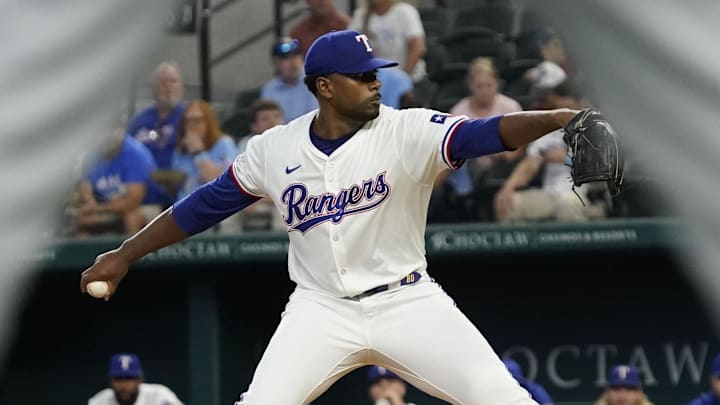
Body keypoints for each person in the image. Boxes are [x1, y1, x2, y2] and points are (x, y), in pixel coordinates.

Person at [80, 29, 589, 404]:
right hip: (320, 310)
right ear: (325, 86)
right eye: (362, 76)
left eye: (376, 75)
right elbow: (203, 206)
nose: (375, 84)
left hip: (406, 299)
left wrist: (560, 119)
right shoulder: (275, 147)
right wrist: (125, 255)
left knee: (505, 399)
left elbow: (486, 132)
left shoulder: (406, 129)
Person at [494, 81, 606, 223]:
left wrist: (567, 159)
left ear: (580, 104)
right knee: (510, 204)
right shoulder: (550, 133)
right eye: (561, 109)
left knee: (567, 205)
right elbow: (529, 165)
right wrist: (507, 189)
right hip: (551, 194)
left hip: (585, 195)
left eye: (569, 108)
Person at [71, 123, 160, 236]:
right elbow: (86, 190)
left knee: (131, 216)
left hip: (146, 205)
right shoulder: (91, 156)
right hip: (107, 207)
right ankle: (82, 253)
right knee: (82, 220)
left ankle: (131, 253)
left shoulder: (135, 153)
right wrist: (89, 204)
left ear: (121, 131)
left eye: (111, 130)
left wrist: (99, 208)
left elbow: (133, 200)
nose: (106, 136)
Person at [171, 100, 237, 201]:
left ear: (208, 122)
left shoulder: (224, 144)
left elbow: (220, 184)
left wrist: (198, 152)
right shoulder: (180, 151)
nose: (191, 125)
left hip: (215, 205)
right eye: (187, 121)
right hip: (185, 205)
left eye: (197, 120)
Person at [126, 61, 186, 170]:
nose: (168, 88)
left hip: (180, 182)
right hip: (143, 182)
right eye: (163, 83)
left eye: (173, 81)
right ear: (154, 88)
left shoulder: (190, 117)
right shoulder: (139, 121)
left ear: (181, 86)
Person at [349, 0, 427, 82]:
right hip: (374, 81)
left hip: (408, 79)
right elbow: (349, 48)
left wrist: (403, 79)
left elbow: (418, 48)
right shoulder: (361, 15)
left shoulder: (405, 12)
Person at [88, 353, 183, 405]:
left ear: (140, 380)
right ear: (110, 381)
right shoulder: (99, 401)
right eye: (119, 379)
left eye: (129, 378)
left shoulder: (159, 395)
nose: (124, 384)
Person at [260, 37, 318, 122]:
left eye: (296, 55)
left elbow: (317, 117)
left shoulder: (314, 81)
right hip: (281, 134)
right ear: (276, 63)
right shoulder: (269, 90)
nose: (293, 61)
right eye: (286, 58)